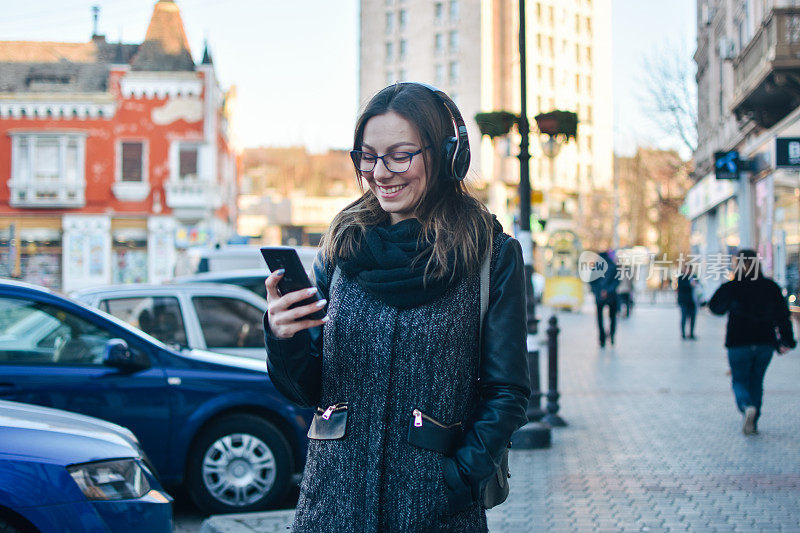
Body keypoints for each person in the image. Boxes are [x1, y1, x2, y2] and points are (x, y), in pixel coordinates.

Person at [264, 82, 530, 532]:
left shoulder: (491, 254)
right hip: (331, 509)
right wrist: (282, 337)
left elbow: (507, 393)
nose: (380, 173)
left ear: (448, 156)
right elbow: (308, 392)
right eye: (368, 156)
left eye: (400, 155)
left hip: (437, 514)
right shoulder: (339, 248)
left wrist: (454, 482)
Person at [708, 249, 795, 435]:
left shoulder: (732, 287)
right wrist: (787, 340)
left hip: (738, 342)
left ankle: (746, 406)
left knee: (739, 380)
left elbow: (715, 307)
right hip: (764, 342)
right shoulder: (770, 287)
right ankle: (753, 421)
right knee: (756, 381)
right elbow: (783, 316)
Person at [589, 251, 619, 347]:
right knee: (612, 317)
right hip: (611, 296)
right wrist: (608, 290)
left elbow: (591, 282)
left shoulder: (596, 267)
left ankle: (602, 338)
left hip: (600, 296)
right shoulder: (613, 266)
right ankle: (612, 335)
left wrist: (599, 292)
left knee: (599, 318)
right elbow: (617, 282)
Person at [676, 264, 698, 339]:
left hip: (693, 302)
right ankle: (683, 334)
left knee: (693, 318)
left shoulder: (694, 277)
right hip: (683, 301)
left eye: (690, 269)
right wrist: (690, 285)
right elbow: (681, 288)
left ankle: (691, 333)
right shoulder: (681, 278)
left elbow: (698, 287)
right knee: (684, 318)